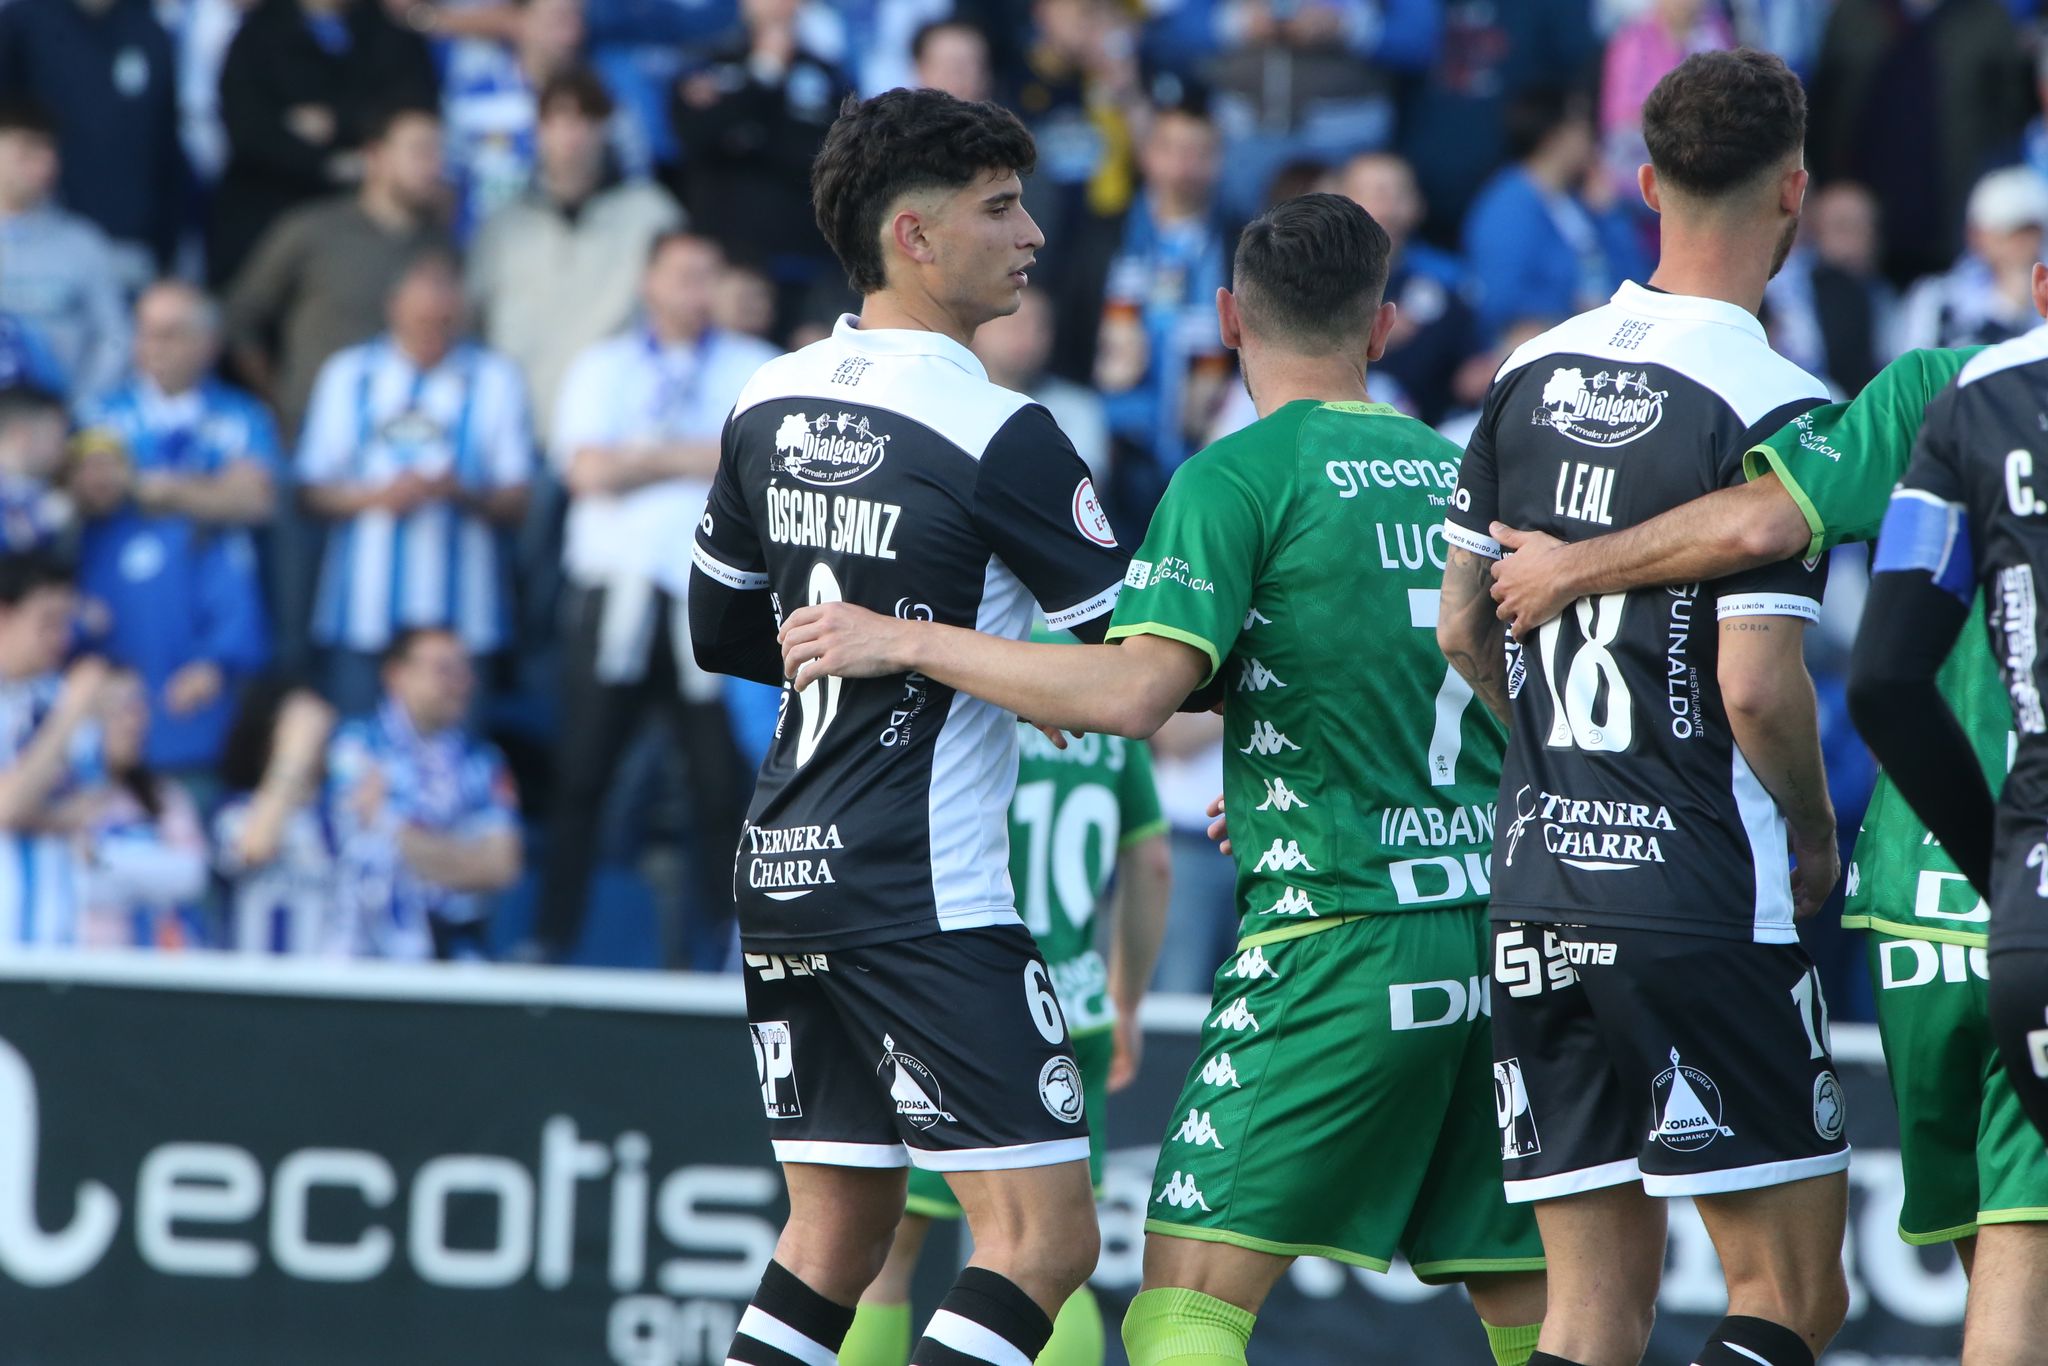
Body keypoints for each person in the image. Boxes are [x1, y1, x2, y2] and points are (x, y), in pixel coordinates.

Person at [776, 191, 1550, 1366]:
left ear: (1228, 321)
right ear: (1383, 328)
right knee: (1529, 1305)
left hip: (1334, 932)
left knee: (1182, 1303)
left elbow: (1132, 696)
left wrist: (908, 637)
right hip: (1493, 935)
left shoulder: (1235, 477)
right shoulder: (1459, 474)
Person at [687, 88, 1130, 1366]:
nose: (1032, 234)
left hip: (781, 867)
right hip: (922, 885)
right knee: (1044, 1239)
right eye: (999, 207)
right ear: (914, 238)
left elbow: (725, 636)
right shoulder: (1003, 431)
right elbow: (1134, 673)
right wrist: (979, 662)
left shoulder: (763, 397)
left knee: (832, 1229)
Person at [1436, 49, 1849, 1366]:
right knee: (1789, 1292)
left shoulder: (1527, 367)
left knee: (1591, 1307)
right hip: (1697, 890)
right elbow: (1753, 683)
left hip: (1535, 881)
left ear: (1642, 183)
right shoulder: (1781, 405)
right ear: (1793, 191)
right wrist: (1811, 824)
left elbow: (1462, 624)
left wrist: (1556, 760)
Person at [841, 658, 1172, 1366]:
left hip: (957, 998)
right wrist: (1127, 1001)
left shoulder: (955, 666)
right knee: (1054, 1250)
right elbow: (1152, 864)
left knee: (882, 1258)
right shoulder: (1104, 676)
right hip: (1073, 1007)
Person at [533, 231, 776, 965]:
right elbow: (586, 473)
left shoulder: (755, 366)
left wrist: (641, 456)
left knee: (717, 783)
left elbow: (759, 467)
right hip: (617, 593)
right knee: (582, 774)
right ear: (649, 283)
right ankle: (552, 939)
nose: (695, 291)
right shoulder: (603, 366)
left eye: (709, 276)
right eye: (682, 276)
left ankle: (729, 950)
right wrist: (699, 455)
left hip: (714, 597)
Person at [297, 254, 534, 717]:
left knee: (457, 763)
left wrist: (459, 493)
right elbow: (307, 491)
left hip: (463, 620)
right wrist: (377, 498)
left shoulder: (495, 378)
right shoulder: (348, 375)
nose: (433, 333)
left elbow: (518, 499)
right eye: (422, 321)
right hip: (362, 615)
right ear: (393, 309)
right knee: (360, 762)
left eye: (445, 322)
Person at [468, 67, 681, 444]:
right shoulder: (502, 227)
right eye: (558, 119)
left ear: (605, 128)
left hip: (619, 429)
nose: (573, 134)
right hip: (518, 428)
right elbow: (472, 322)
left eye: (586, 119)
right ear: (538, 130)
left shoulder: (652, 214)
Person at [223, 101, 453, 440]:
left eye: (438, 153)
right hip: (312, 437)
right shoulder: (313, 228)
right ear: (375, 156)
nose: (434, 166)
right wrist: (274, 400)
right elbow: (240, 316)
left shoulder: (442, 246)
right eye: (420, 151)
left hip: (409, 442)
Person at [69, 425, 270, 776]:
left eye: (108, 464)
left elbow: (233, 605)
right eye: (86, 466)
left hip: (186, 728)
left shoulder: (187, 528)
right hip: (101, 745)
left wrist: (215, 662)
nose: (98, 478)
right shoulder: (66, 539)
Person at [208, 0, 437, 287]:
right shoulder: (259, 34)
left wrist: (337, 120)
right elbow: (248, 128)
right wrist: (328, 163)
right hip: (268, 212)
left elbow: (413, 107)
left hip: (366, 225)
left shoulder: (387, 33)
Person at [325, 627, 521, 961]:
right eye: (444, 669)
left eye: (465, 670)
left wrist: (395, 831)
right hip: (367, 949)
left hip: (462, 950)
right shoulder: (355, 745)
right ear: (396, 674)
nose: (460, 683)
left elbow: (502, 866)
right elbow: (353, 845)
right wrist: (462, 855)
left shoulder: (483, 761)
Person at [668, 0, 851, 336]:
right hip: (724, 269)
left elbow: (827, 156)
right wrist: (766, 74)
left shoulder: (827, 74)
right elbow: (696, 138)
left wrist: (745, 131)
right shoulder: (707, 67)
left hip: (806, 270)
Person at [1095, 94, 1233, 521]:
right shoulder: (1104, 233)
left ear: (1220, 161)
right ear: (1147, 154)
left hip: (1210, 430)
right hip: (1111, 429)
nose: (1184, 164)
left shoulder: (1247, 240)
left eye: (1199, 152)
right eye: (1172, 149)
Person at [0, 0, 186, 278]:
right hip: (35, 249)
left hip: (130, 250)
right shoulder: (22, 23)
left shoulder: (149, 31)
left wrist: (166, 257)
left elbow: (166, 151)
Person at [79, 281, 280, 530]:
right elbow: (91, 490)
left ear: (209, 343)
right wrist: (212, 492)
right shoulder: (99, 412)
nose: (155, 347)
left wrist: (165, 491)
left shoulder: (244, 414)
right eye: (146, 332)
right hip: (114, 565)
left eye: (171, 334)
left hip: (211, 568)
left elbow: (255, 501)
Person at [1461, 85, 1646, 345]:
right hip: (1542, 344)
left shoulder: (1582, 202)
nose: (1593, 136)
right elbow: (1501, 297)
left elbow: (1637, 276)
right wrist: (1572, 307)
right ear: (1553, 136)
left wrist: (1611, 214)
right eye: (1581, 125)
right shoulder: (1508, 205)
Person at [1336, 150, 1485, 426]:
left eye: (1400, 194)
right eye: (1378, 194)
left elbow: (1469, 375)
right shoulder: (1311, 278)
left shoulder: (1445, 282)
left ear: (1419, 205)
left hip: (1428, 435)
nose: (1390, 208)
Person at [0, 553, 103, 947]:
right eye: (47, 622)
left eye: (66, 623)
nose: (62, 639)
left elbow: (94, 812)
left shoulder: (60, 697)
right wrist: (70, 717)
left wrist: (28, 810)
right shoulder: (74, 705)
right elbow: (7, 807)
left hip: (62, 940)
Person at [0, 103, 130, 401]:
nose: (45, 166)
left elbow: (115, 337)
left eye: (50, 153)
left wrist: (80, 406)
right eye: (28, 151)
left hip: (59, 421)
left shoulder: (84, 243)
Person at [72, 667, 209, 949]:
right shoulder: (62, 795)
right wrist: (150, 869)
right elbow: (73, 882)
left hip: (157, 967)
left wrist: (100, 858)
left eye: (139, 708)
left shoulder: (165, 796)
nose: (132, 722)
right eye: (118, 709)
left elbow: (191, 875)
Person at [214, 681, 347, 956]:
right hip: (251, 984)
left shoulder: (337, 818)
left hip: (323, 985)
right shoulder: (235, 809)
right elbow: (253, 847)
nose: (310, 739)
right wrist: (292, 755)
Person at [1898, 167, 2048, 353]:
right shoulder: (1937, 299)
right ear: (1976, 235)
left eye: (2030, 233)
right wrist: (2007, 310)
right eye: (2008, 233)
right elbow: (1917, 371)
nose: (2020, 244)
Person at [971, 286, 1108, 479]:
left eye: (1040, 327)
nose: (1029, 337)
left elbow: (1081, 491)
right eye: (1015, 325)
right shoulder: (949, 400)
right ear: (978, 331)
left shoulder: (1076, 407)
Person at [0, 386, 78, 555]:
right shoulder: (45, 509)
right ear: (19, 435)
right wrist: (36, 522)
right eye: (56, 436)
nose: (64, 448)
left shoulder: (49, 495)